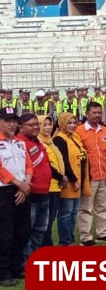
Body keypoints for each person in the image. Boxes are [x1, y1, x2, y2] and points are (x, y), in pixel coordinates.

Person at [0, 107, 32, 286]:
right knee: (5, 233)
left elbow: (28, 164)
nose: (12, 124)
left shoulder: (20, 143)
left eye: (14, 120)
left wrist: (25, 185)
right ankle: (3, 272)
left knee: (23, 231)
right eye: (8, 120)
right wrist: (18, 184)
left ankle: (17, 267)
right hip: (4, 192)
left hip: (22, 191)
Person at [75, 102, 106, 245]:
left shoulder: (105, 130)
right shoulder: (79, 131)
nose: (97, 115)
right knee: (86, 207)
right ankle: (86, 236)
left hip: (103, 174)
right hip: (88, 177)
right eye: (94, 112)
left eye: (99, 112)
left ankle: (103, 232)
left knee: (103, 205)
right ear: (87, 113)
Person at [15, 113, 51, 263]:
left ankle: (35, 258)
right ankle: (26, 261)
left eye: (37, 124)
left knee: (40, 229)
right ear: (21, 127)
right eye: (31, 125)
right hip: (30, 194)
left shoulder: (38, 142)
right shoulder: (19, 143)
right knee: (27, 231)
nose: (36, 127)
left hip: (44, 193)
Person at [54, 112, 90, 246]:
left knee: (73, 212)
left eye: (74, 122)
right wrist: (74, 179)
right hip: (69, 182)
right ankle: (65, 241)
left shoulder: (75, 137)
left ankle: (70, 239)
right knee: (66, 213)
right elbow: (64, 162)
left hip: (78, 180)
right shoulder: (59, 139)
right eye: (69, 123)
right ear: (62, 123)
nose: (72, 125)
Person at [37, 115, 66, 246]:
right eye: (45, 124)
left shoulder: (50, 141)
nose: (48, 127)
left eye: (50, 124)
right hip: (48, 186)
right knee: (45, 221)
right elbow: (47, 165)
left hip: (56, 186)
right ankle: (45, 246)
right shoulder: (39, 142)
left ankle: (47, 244)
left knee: (50, 219)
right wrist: (61, 177)